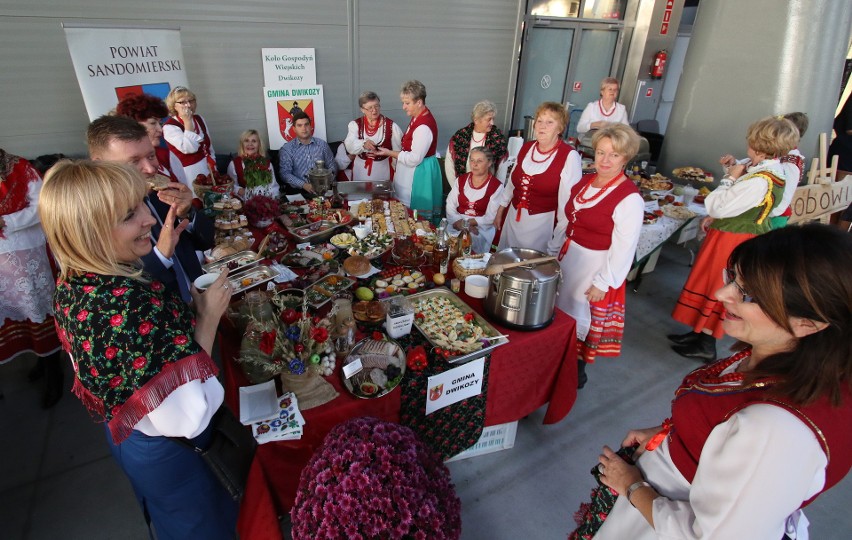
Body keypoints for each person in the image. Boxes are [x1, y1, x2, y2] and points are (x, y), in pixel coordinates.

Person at [585, 224, 852, 540]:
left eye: (749, 293)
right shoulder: (777, 359)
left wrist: (631, 484)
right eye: (733, 278)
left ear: (808, 323)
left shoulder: (777, 431)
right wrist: (673, 434)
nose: (722, 294)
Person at [40, 160, 238, 539]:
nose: (149, 218)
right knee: (201, 526)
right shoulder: (127, 303)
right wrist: (209, 317)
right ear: (91, 233)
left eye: (143, 204)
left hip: (130, 436)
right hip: (172, 449)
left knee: (168, 521)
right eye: (130, 214)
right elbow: (189, 413)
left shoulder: (75, 283)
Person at [670, 116, 799, 362]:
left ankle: (707, 343)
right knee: (710, 284)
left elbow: (718, 205)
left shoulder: (762, 179)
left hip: (734, 240)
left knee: (720, 286)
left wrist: (728, 179)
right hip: (731, 234)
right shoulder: (765, 168)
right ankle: (699, 332)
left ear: (759, 147)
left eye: (751, 142)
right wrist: (733, 171)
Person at [550, 124, 644, 388]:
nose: (604, 160)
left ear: (625, 158)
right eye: (601, 152)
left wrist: (603, 282)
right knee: (560, 311)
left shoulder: (629, 198)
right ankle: (556, 363)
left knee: (581, 318)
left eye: (613, 155)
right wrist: (553, 251)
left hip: (595, 266)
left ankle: (574, 376)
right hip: (569, 258)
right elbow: (567, 219)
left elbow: (624, 247)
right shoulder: (585, 181)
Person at [88, 115, 214, 302]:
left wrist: (188, 213)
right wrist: (161, 255)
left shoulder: (161, 195)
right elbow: (118, 293)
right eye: (133, 161)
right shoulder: (95, 219)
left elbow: (205, 242)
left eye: (151, 155)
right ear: (101, 164)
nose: (150, 168)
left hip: (200, 301)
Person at [0, 149, 63, 407]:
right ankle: (39, 359)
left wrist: (6, 222)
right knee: (12, 314)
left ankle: (53, 372)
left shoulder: (21, 168)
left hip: (28, 258)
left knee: (38, 312)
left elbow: (41, 206)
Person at [494, 102, 582, 253]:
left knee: (530, 269)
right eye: (539, 121)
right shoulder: (527, 147)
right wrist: (501, 209)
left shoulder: (569, 156)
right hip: (513, 221)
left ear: (560, 128)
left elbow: (567, 206)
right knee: (506, 262)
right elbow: (512, 184)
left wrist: (557, 243)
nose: (542, 126)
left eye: (549, 122)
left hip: (541, 227)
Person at [720, 111, 809, 229]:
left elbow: (781, 201)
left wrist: (747, 211)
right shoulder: (771, 154)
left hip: (767, 220)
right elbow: (749, 168)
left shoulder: (790, 163)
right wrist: (733, 165)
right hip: (749, 216)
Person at [374, 80, 442, 222]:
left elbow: (414, 159)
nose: (403, 107)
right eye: (403, 102)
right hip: (412, 172)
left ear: (419, 102)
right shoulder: (417, 117)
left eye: (407, 103)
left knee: (414, 216)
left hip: (419, 174)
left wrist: (389, 152)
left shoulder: (424, 127)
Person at [445, 147, 505, 254]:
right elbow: (450, 205)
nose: (474, 164)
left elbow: (490, 217)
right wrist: (460, 223)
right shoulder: (461, 180)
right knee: (444, 241)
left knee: (466, 244)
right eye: (472, 160)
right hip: (456, 222)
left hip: (480, 229)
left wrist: (467, 224)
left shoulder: (496, 187)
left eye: (479, 161)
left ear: (489, 163)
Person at [162, 86, 216, 196]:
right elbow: (189, 148)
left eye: (191, 101)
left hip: (208, 168)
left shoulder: (200, 119)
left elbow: (209, 145)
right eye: (182, 102)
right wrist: (187, 122)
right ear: (174, 106)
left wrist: (213, 163)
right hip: (189, 174)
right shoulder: (169, 127)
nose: (188, 105)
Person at [445, 100, 508, 189]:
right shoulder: (460, 137)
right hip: (462, 188)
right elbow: (449, 164)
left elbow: (502, 168)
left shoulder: (498, 138)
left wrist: (496, 190)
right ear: (476, 120)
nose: (492, 123)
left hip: (487, 191)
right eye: (489, 119)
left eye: (493, 119)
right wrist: (456, 189)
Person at [343, 91, 403, 181]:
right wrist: (363, 144)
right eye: (370, 108)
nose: (374, 110)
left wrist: (398, 175)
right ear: (362, 109)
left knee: (381, 194)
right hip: (360, 170)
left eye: (376, 106)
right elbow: (349, 145)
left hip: (382, 171)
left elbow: (398, 152)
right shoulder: (355, 125)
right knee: (360, 193)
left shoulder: (391, 126)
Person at [278, 111, 337, 195]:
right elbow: (285, 173)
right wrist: (304, 185)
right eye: (299, 125)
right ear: (294, 129)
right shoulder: (287, 149)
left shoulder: (322, 145)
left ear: (310, 126)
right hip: (299, 191)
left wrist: (326, 182)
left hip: (324, 189)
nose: (304, 128)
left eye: (306, 124)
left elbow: (332, 166)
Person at [115, 92, 173, 178]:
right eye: (153, 123)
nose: (160, 130)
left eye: (160, 123)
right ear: (133, 124)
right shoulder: (121, 165)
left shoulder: (164, 155)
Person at [226, 129, 279, 200]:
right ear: (242, 144)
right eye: (246, 141)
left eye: (254, 141)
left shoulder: (267, 163)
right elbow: (231, 186)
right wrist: (239, 190)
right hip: (243, 202)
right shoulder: (234, 164)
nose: (250, 144)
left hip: (265, 201)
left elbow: (274, 186)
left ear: (259, 144)